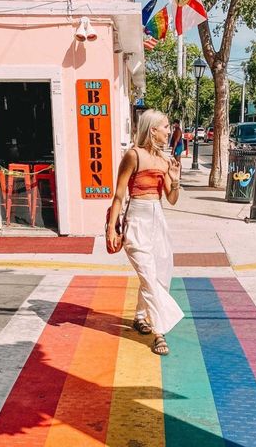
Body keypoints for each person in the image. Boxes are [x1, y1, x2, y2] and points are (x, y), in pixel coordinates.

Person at [106, 109, 184, 355]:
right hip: (136, 220)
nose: (169, 131)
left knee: (160, 275)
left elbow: (172, 199)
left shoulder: (164, 160)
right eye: (165, 127)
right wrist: (111, 227)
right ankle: (158, 332)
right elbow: (119, 194)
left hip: (157, 219)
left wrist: (175, 178)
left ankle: (141, 316)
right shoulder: (133, 155)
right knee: (149, 276)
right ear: (153, 130)